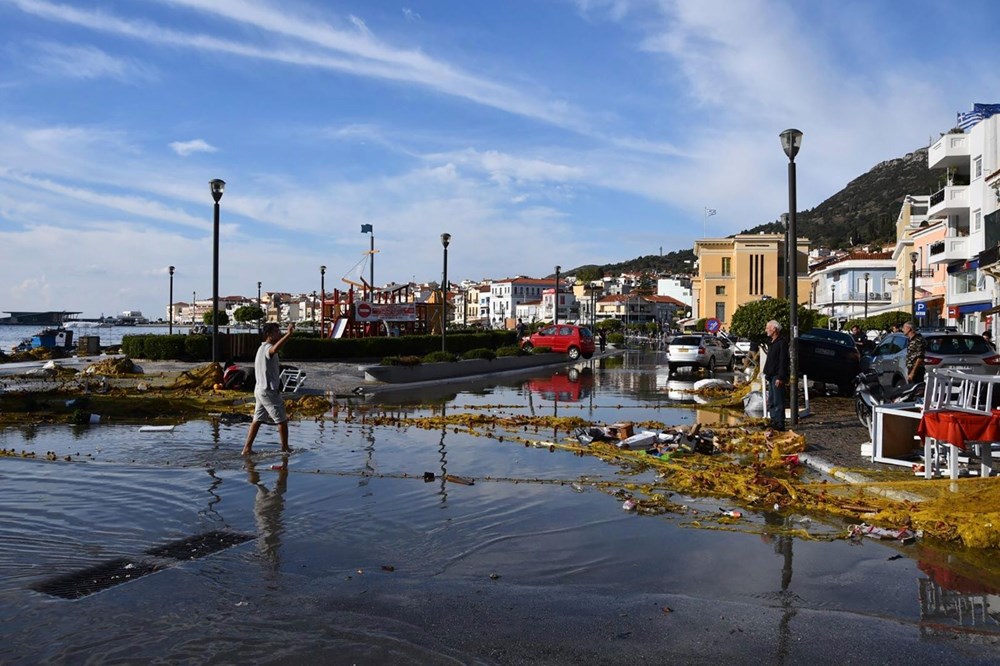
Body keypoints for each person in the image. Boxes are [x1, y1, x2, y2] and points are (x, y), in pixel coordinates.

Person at [242, 322, 295, 456]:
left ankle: (247, 449)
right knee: (282, 421)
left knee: (257, 420)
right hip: (268, 391)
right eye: (276, 332)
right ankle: (285, 448)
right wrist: (288, 335)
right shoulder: (267, 348)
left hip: (259, 390)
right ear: (269, 335)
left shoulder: (261, 348)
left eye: (279, 331)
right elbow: (273, 351)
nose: (279, 333)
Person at [762, 319, 788, 431]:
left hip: (777, 375)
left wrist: (781, 377)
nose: (766, 330)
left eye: (768, 328)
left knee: (778, 400)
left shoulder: (782, 342)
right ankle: (773, 420)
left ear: (774, 329)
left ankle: (779, 423)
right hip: (771, 375)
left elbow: (783, 361)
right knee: (772, 400)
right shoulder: (772, 342)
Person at [902, 321, 926, 385]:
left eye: (904, 328)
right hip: (911, 368)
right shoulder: (911, 340)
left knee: (918, 390)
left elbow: (920, 357)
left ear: (909, 329)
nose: (903, 330)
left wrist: (913, 373)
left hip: (917, 370)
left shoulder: (918, 340)